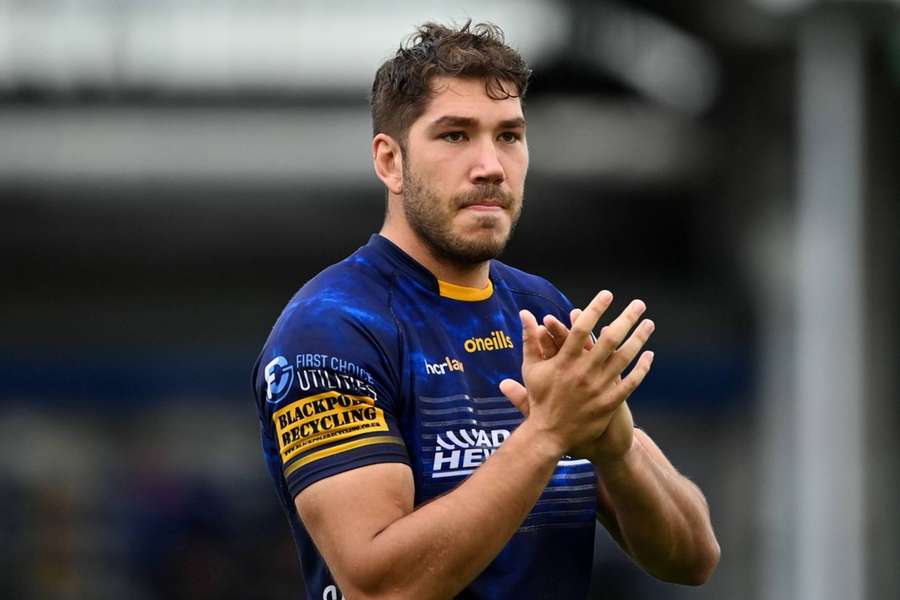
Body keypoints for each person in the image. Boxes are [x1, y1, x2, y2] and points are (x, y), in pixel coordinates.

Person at [252, 21, 720, 600]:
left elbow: (694, 557)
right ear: (390, 162)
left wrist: (615, 448)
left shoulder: (541, 311)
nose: (491, 166)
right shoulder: (331, 329)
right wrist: (547, 433)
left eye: (509, 136)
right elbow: (381, 588)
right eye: (455, 136)